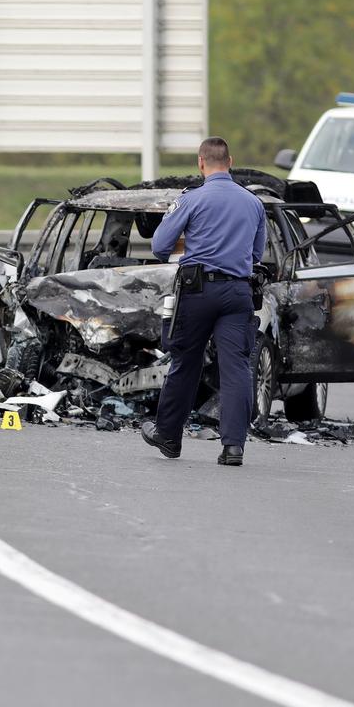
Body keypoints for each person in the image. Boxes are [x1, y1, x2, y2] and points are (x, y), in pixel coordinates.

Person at [140, 137, 266, 468]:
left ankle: (168, 436)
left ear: (201, 163)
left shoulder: (192, 199)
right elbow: (256, 254)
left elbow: (159, 246)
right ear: (230, 161)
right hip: (238, 292)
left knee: (186, 361)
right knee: (236, 367)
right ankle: (233, 448)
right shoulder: (253, 203)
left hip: (197, 291)